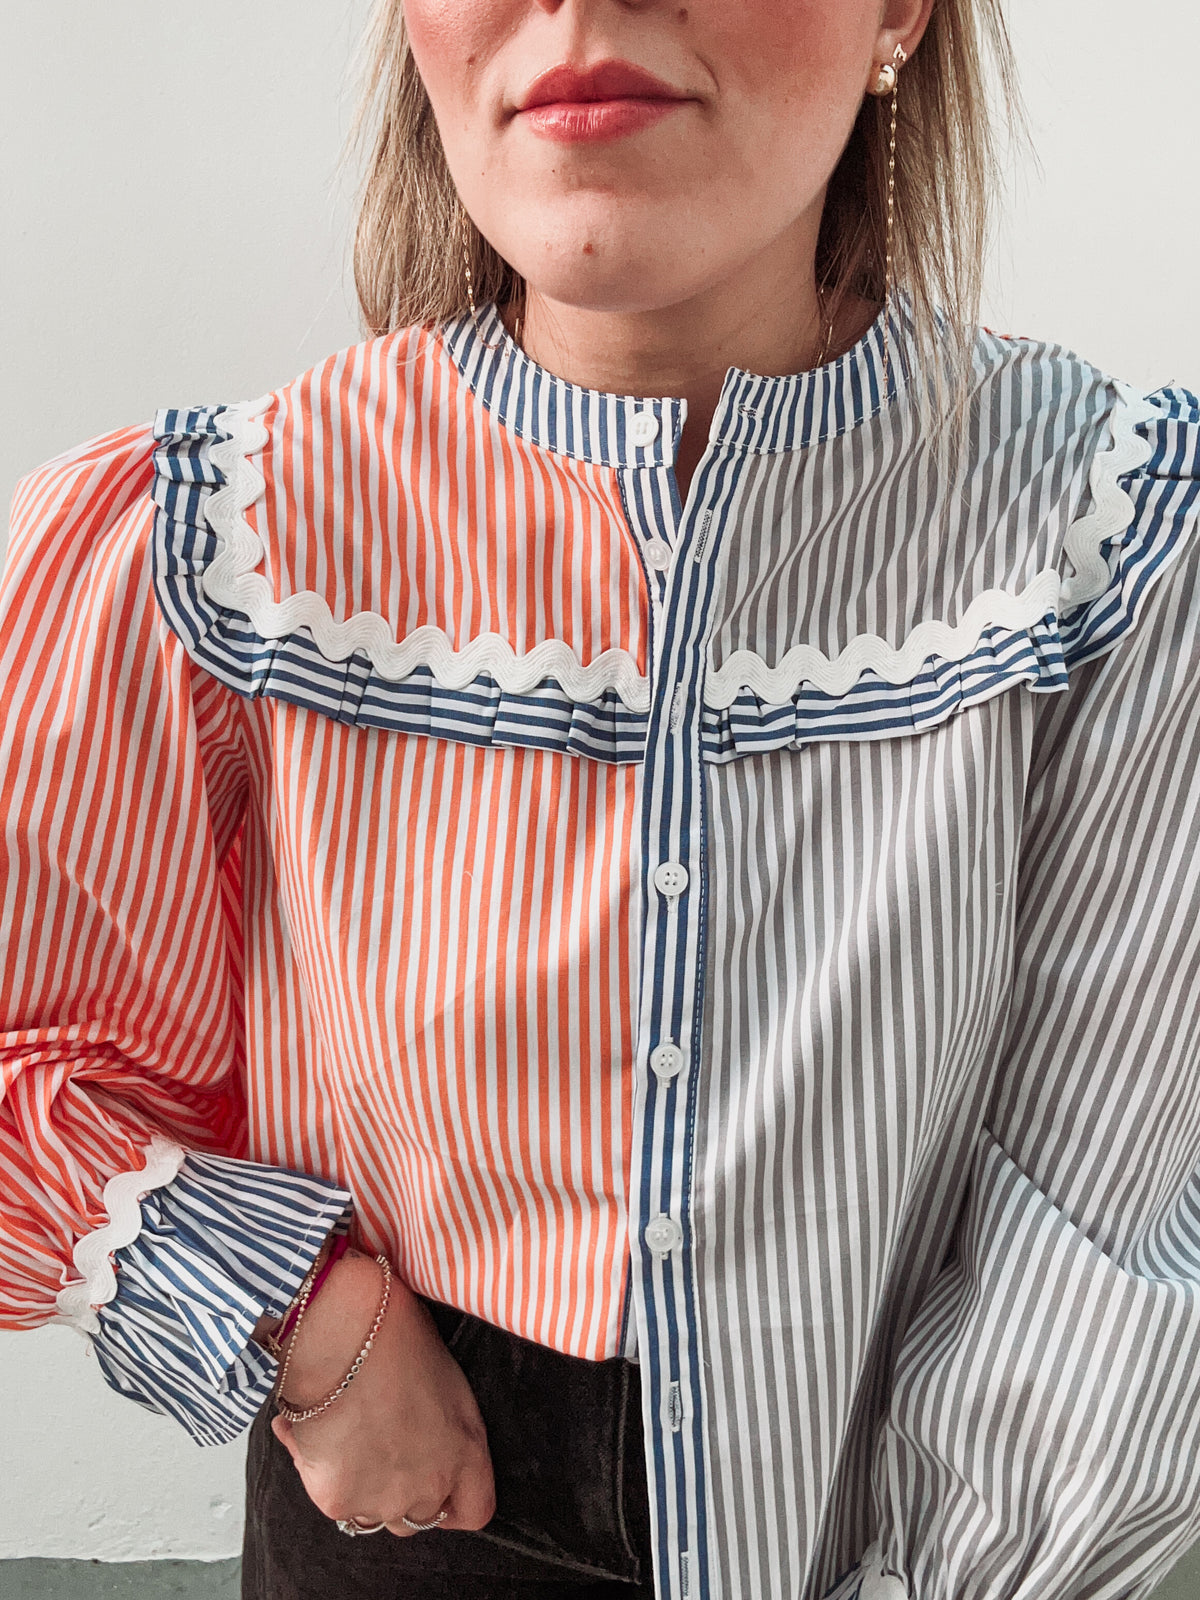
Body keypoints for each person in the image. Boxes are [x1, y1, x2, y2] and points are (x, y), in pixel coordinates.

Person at [3, 0, 1200, 1597]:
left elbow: (1106, 1216)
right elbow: (30, 1050)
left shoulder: (1114, 537)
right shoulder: (219, 539)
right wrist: (304, 1319)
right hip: (413, 1522)